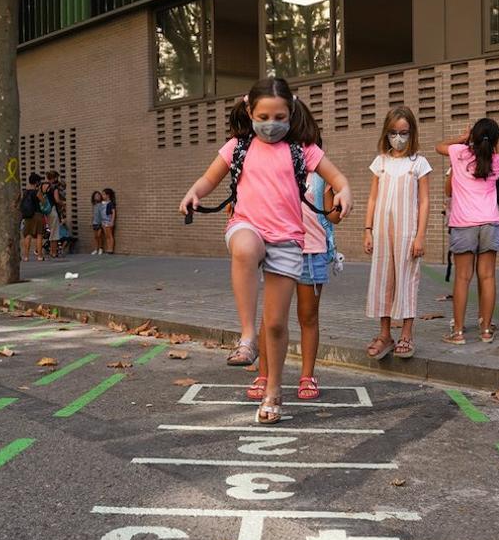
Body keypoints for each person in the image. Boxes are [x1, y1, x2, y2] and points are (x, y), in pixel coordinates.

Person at [180, 77, 353, 424]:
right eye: (263, 116)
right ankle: (246, 336)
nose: (271, 125)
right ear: (249, 110)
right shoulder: (237, 147)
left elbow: (338, 178)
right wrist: (194, 193)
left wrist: (345, 191)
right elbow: (208, 179)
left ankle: (274, 389)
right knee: (244, 247)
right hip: (248, 226)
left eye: (279, 117)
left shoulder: (303, 150)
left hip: (288, 240)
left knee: (275, 324)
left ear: (291, 113)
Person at [252, 166, 342, 402]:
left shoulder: (321, 175)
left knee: (308, 316)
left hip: (312, 253)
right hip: (280, 248)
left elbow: (332, 217)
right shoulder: (276, 167)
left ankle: (307, 376)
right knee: (271, 318)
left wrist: (335, 196)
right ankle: (264, 375)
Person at [363, 107, 432, 360]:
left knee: (407, 279)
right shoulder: (380, 162)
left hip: (407, 233)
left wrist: (420, 235)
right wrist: (368, 229)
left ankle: (406, 333)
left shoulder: (419, 164)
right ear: (386, 133)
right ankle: (384, 334)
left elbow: (424, 202)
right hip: (382, 232)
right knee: (383, 279)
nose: (398, 138)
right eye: (393, 133)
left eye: (403, 133)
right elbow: (372, 199)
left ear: (411, 132)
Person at [437, 117, 499, 345]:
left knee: (462, 278)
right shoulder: (497, 161)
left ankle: (458, 332)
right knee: (487, 277)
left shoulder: (459, 153)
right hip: (490, 222)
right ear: (495, 140)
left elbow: (438, 147)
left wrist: (462, 138)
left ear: (473, 137)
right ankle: (486, 329)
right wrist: (498, 142)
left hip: (464, 223)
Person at [20, 173, 44, 261]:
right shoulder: (37, 192)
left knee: (28, 235)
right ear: (37, 182)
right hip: (37, 214)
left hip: (28, 215)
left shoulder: (25, 192)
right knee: (39, 235)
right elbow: (43, 201)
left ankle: (26, 256)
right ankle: (40, 256)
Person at [40, 171, 64, 258]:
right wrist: (63, 203)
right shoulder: (54, 188)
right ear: (54, 178)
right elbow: (57, 200)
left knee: (50, 230)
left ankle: (51, 251)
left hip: (45, 211)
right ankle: (53, 252)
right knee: (55, 231)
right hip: (53, 210)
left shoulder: (42, 186)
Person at [102, 187, 117, 254]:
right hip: (104, 221)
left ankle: (111, 249)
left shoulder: (111, 203)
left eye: (104, 194)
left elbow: (113, 212)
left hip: (109, 220)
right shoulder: (103, 203)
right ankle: (108, 248)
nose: (102, 196)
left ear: (108, 195)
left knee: (110, 235)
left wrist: (112, 221)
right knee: (106, 235)